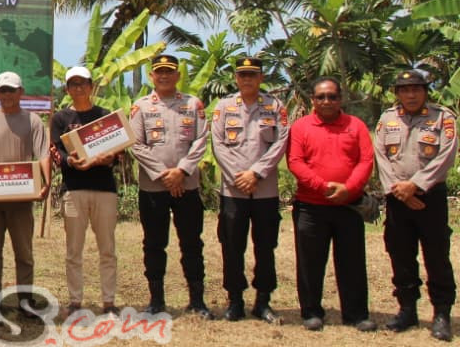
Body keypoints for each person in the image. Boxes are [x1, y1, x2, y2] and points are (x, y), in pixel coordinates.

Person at [372, 68, 457, 341]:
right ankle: (406, 309)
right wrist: (400, 191)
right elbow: (381, 156)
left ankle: (441, 313)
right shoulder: (387, 119)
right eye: (404, 90)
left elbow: (446, 154)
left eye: (416, 89)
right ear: (397, 94)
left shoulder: (442, 118)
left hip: (430, 197)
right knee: (400, 254)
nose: (410, 94)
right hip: (396, 197)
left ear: (425, 92)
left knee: (436, 255)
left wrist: (416, 186)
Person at [287, 77, 376, 332]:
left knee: (352, 261)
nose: (327, 101)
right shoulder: (301, 127)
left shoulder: (355, 126)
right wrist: (322, 187)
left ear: (341, 99)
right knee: (310, 262)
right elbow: (295, 161)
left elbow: (366, 160)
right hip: (311, 205)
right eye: (321, 97)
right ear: (312, 100)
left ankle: (356, 314)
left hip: (348, 206)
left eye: (332, 96)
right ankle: (311, 312)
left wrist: (348, 189)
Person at [127, 54, 212, 318]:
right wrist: (165, 174)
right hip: (153, 188)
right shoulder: (141, 107)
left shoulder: (192, 104)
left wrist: (182, 171)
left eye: (169, 72)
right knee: (154, 244)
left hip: (187, 186)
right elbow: (136, 144)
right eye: (159, 72)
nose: (163, 76)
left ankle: (197, 301)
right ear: (152, 76)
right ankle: (156, 301)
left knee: (191, 243)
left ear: (177, 75)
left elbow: (201, 141)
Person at [209, 56, 289, 323]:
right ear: (236, 78)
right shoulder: (223, 107)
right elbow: (218, 144)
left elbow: (280, 143)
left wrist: (256, 173)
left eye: (252, 75)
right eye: (242, 75)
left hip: (265, 190)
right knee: (231, 246)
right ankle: (235, 300)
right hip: (233, 191)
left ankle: (263, 301)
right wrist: (238, 176)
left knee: (265, 246)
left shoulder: (275, 106)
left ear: (261, 78)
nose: (247, 79)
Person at [0, 71, 51, 317]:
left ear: (20, 92)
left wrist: (47, 181)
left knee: (24, 252)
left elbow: (43, 154)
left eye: (11, 90)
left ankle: (25, 301)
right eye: (2, 90)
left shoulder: (33, 121)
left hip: (22, 200)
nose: (6, 95)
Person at [49, 66, 118, 316]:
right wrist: (70, 162)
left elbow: (118, 151)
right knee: (73, 250)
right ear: (67, 89)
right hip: (74, 189)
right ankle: (75, 301)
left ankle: (109, 301)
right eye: (73, 84)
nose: (78, 88)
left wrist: (107, 158)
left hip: (104, 190)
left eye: (83, 83)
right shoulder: (60, 119)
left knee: (107, 248)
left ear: (91, 87)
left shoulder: (105, 116)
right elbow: (56, 151)